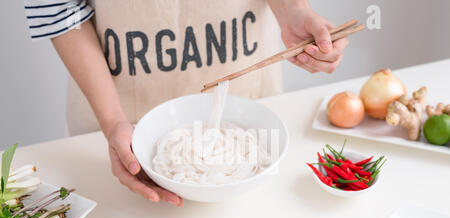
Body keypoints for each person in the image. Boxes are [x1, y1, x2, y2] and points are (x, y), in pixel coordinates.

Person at [24, 0, 348, 206]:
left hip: (246, 88)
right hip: (119, 107)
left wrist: (294, 10)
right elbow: (57, 8)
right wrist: (113, 121)